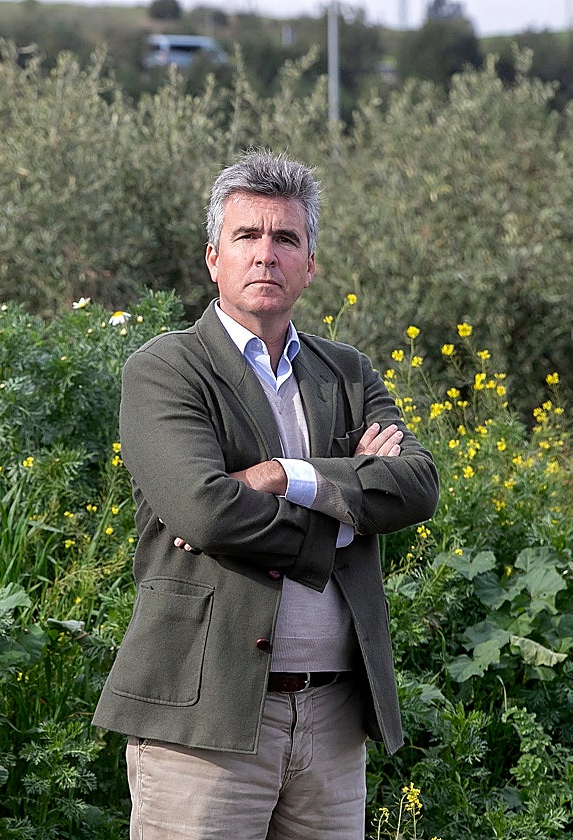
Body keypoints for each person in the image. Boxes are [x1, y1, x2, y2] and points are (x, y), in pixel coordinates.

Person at [92, 150, 440, 839]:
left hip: (335, 717)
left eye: (286, 238)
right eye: (247, 236)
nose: (266, 255)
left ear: (310, 264)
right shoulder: (166, 369)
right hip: (204, 716)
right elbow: (206, 510)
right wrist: (346, 511)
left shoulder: (347, 372)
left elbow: (416, 484)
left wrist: (289, 476)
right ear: (212, 258)